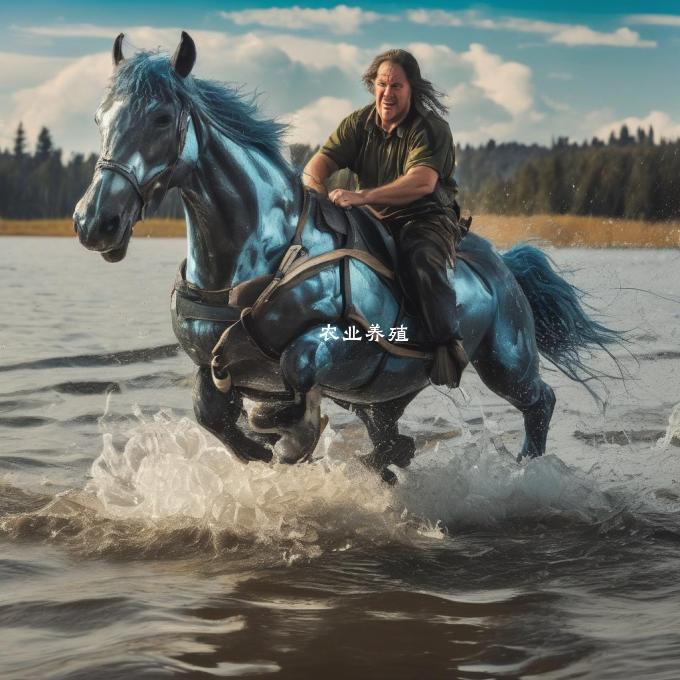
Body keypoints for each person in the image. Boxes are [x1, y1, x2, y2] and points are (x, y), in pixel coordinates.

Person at [302, 48, 468, 388]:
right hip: (370, 221)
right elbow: (316, 166)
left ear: (412, 90)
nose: (387, 94)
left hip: (425, 219)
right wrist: (316, 193)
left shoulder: (431, 128)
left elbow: (422, 182)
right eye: (381, 84)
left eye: (397, 86)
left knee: (421, 260)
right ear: (372, 86)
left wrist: (362, 197)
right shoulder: (357, 123)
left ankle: (445, 342)